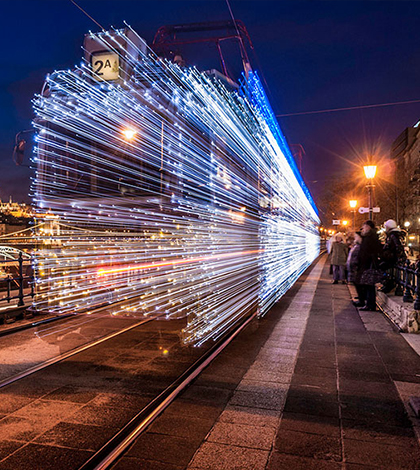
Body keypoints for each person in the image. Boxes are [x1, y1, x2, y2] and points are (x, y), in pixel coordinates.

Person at [357, 220, 382, 311]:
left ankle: (370, 304)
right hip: (367, 264)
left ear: (368, 227)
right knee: (368, 285)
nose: (362, 229)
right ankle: (368, 303)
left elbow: (367, 252)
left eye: (364, 227)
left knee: (369, 285)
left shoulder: (369, 238)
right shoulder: (371, 237)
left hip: (368, 265)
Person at [380, 219, 406, 293]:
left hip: (392, 259)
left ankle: (389, 284)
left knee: (383, 268)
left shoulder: (393, 235)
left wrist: (391, 254)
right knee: (388, 272)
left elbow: (398, 247)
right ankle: (388, 284)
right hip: (393, 258)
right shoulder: (395, 235)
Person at [347, 231, 364, 306]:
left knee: (359, 285)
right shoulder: (356, 246)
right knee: (356, 285)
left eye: (356, 237)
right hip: (353, 268)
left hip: (355, 269)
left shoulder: (360, 247)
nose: (355, 238)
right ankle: (361, 298)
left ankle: (361, 300)